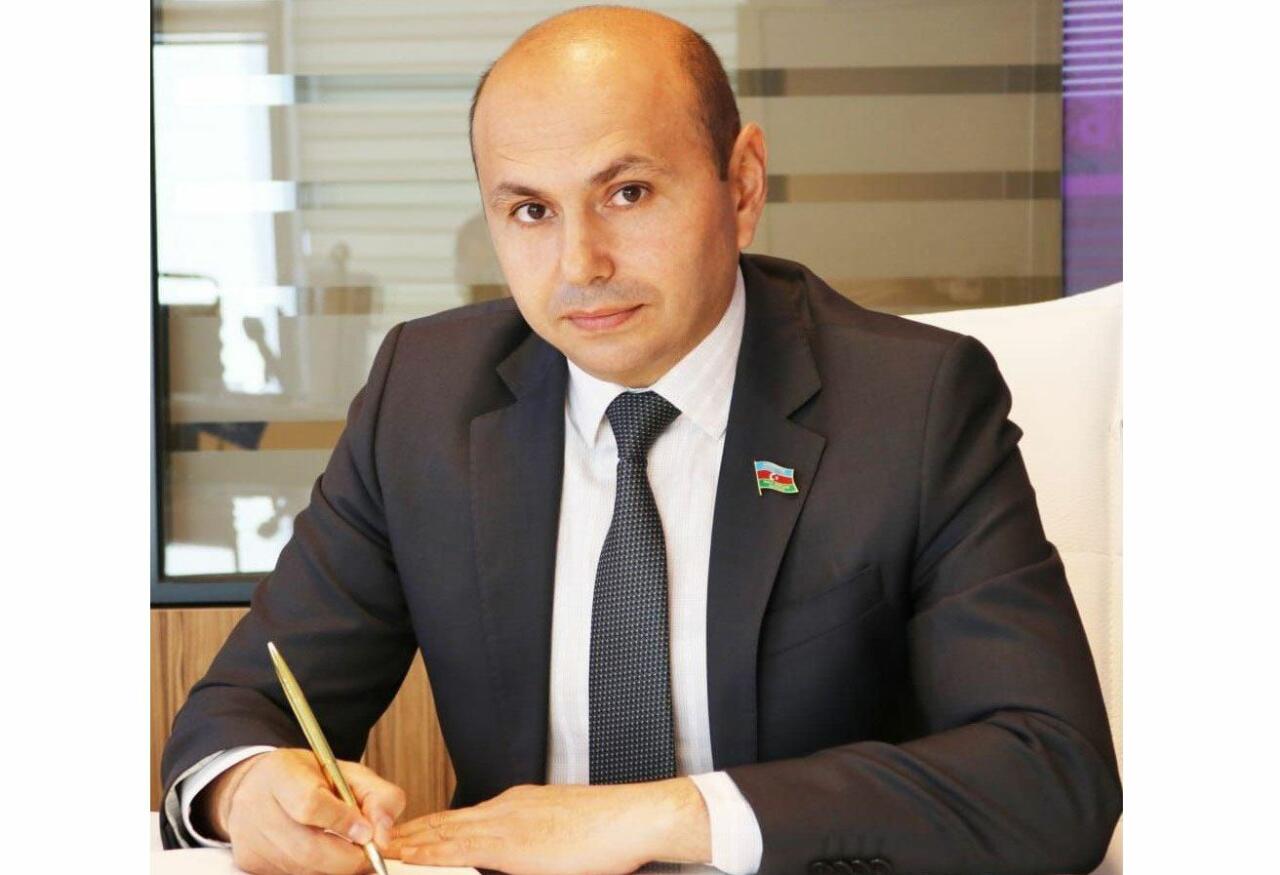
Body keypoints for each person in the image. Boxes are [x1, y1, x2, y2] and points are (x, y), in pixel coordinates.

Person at [159, 6, 1122, 875]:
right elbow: (245, 707)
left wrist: (665, 816)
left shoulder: (911, 405)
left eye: (627, 193)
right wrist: (248, 787)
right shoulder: (427, 394)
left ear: (742, 184)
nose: (580, 263)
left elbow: (1050, 777)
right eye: (530, 210)